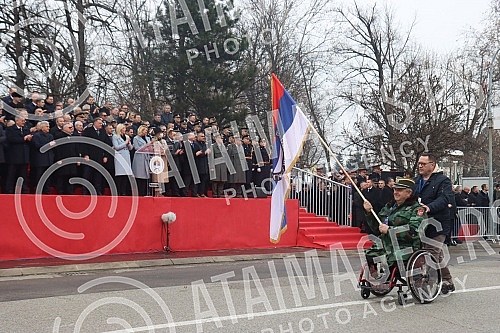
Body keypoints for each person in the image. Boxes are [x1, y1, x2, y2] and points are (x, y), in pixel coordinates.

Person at [363, 177, 426, 278]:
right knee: (370, 253)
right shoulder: (389, 207)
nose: (395, 192)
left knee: (392, 257)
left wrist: (389, 230)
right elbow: (376, 227)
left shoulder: (417, 209)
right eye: (395, 189)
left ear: (408, 193)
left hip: (406, 246)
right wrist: (369, 212)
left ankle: (387, 279)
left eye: (399, 190)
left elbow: (415, 231)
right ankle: (375, 280)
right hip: (387, 244)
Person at [413, 153, 455, 293]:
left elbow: (444, 199)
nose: (420, 166)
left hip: (438, 223)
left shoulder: (443, 181)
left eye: (423, 164)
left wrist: (429, 207)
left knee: (431, 253)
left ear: (432, 165)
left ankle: (427, 285)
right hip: (420, 224)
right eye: (419, 163)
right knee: (437, 254)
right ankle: (447, 280)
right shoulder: (416, 181)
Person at [112, 123, 134, 196]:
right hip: (120, 156)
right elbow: (117, 147)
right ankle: (118, 191)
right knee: (120, 174)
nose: (125, 130)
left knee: (126, 174)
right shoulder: (115, 136)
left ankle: (123, 191)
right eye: (124, 128)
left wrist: (129, 143)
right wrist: (125, 143)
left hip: (126, 156)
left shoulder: (127, 136)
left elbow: (130, 148)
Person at [132, 125, 151, 196]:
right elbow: (137, 148)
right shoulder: (136, 138)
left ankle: (145, 192)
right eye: (145, 130)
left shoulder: (148, 138)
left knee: (146, 176)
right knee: (140, 175)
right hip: (139, 158)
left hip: (147, 157)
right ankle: (139, 192)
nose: (146, 132)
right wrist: (146, 145)